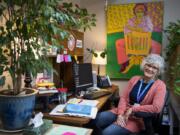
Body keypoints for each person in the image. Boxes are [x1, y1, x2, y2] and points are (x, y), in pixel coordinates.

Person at [94, 54, 166, 135]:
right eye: (148, 65)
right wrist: (120, 114)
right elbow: (124, 98)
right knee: (96, 119)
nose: (150, 69)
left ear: (158, 71)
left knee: (107, 133)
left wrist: (133, 109)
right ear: (144, 65)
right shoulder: (134, 79)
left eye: (154, 67)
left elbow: (156, 108)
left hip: (137, 118)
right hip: (122, 110)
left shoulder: (160, 85)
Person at [116, 3, 161, 72]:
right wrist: (139, 31)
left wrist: (135, 30)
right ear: (135, 12)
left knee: (157, 46)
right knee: (118, 42)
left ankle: (151, 64)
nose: (139, 13)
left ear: (144, 12)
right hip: (132, 42)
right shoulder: (132, 20)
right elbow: (126, 30)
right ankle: (124, 62)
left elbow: (149, 29)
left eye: (141, 11)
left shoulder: (147, 19)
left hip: (144, 43)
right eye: (138, 11)